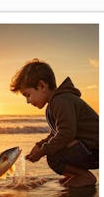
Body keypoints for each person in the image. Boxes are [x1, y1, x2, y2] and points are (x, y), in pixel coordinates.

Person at [10, 59, 99, 187]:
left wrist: (43, 151)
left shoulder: (61, 101)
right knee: (53, 149)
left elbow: (67, 133)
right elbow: (56, 132)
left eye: (28, 95)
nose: (28, 101)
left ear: (42, 86)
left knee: (54, 156)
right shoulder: (55, 103)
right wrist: (40, 145)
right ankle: (77, 175)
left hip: (96, 149)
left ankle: (84, 177)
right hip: (90, 148)